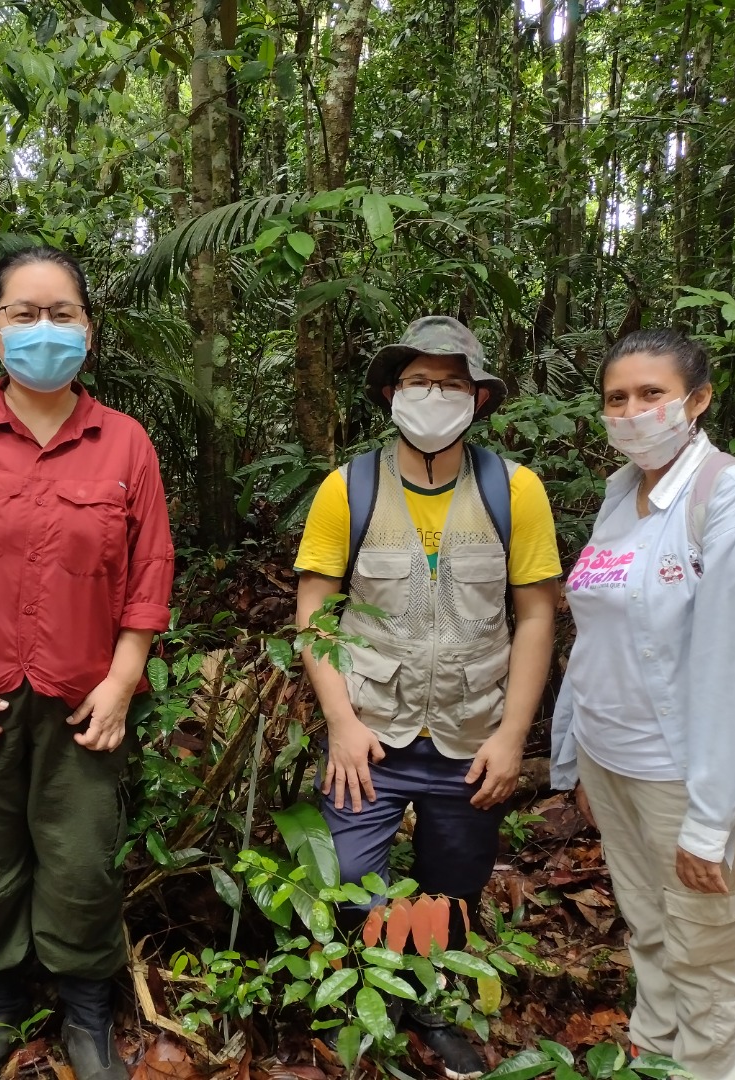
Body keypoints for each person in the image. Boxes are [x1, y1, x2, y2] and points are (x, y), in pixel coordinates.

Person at [0, 247, 174, 1080]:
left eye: (63, 314)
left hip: (85, 698)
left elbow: (149, 572)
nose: (43, 330)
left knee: (82, 857)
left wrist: (121, 683)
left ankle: (87, 1011)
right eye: (24, 313)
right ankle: (2, 1006)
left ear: (89, 329)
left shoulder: (124, 443)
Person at [294, 317, 561, 1079]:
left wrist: (513, 736)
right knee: (347, 880)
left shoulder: (515, 489)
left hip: (472, 734)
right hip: (372, 729)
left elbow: (537, 613)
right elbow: (314, 607)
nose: (434, 396)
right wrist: (340, 723)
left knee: (454, 887)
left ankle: (430, 999)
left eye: (451, 383)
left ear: (477, 398)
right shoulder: (350, 486)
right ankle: (365, 1000)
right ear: (389, 393)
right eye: (419, 381)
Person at [551, 329, 735, 1080]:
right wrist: (576, 754)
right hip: (617, 764)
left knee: (704, 950)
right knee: (649, 928)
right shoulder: (618, 496)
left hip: (692, 779)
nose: (632, 411)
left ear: (696, 400)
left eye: (652, 394)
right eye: (616, 398)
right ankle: (653, 1055)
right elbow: (597, 633)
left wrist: (712, 820)